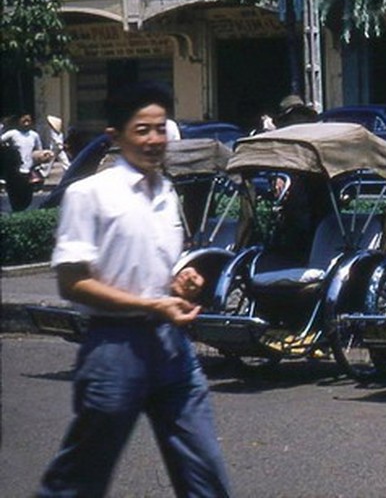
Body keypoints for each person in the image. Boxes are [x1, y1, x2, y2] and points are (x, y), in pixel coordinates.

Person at [39, 82, 231, 497]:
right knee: (80, 477)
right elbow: (72, 283)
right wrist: (151, 303)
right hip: (114, 349)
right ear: (115, 136)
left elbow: (163, 273)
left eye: (160, 129)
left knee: (203, 470)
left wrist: (184, 283)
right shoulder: (88, 194)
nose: (154, 140)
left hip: (171, 346)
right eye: (142, 130)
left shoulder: (165, 191)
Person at [2, 113, 46, 210]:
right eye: (24, 121)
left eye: (28, 121)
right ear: (19, 122)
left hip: (29, 171)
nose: (26, 124)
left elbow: (39, 150)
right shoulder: (12, 134)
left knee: (27, 196)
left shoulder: (34, 135)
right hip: (15, 171)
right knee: (15, 195)